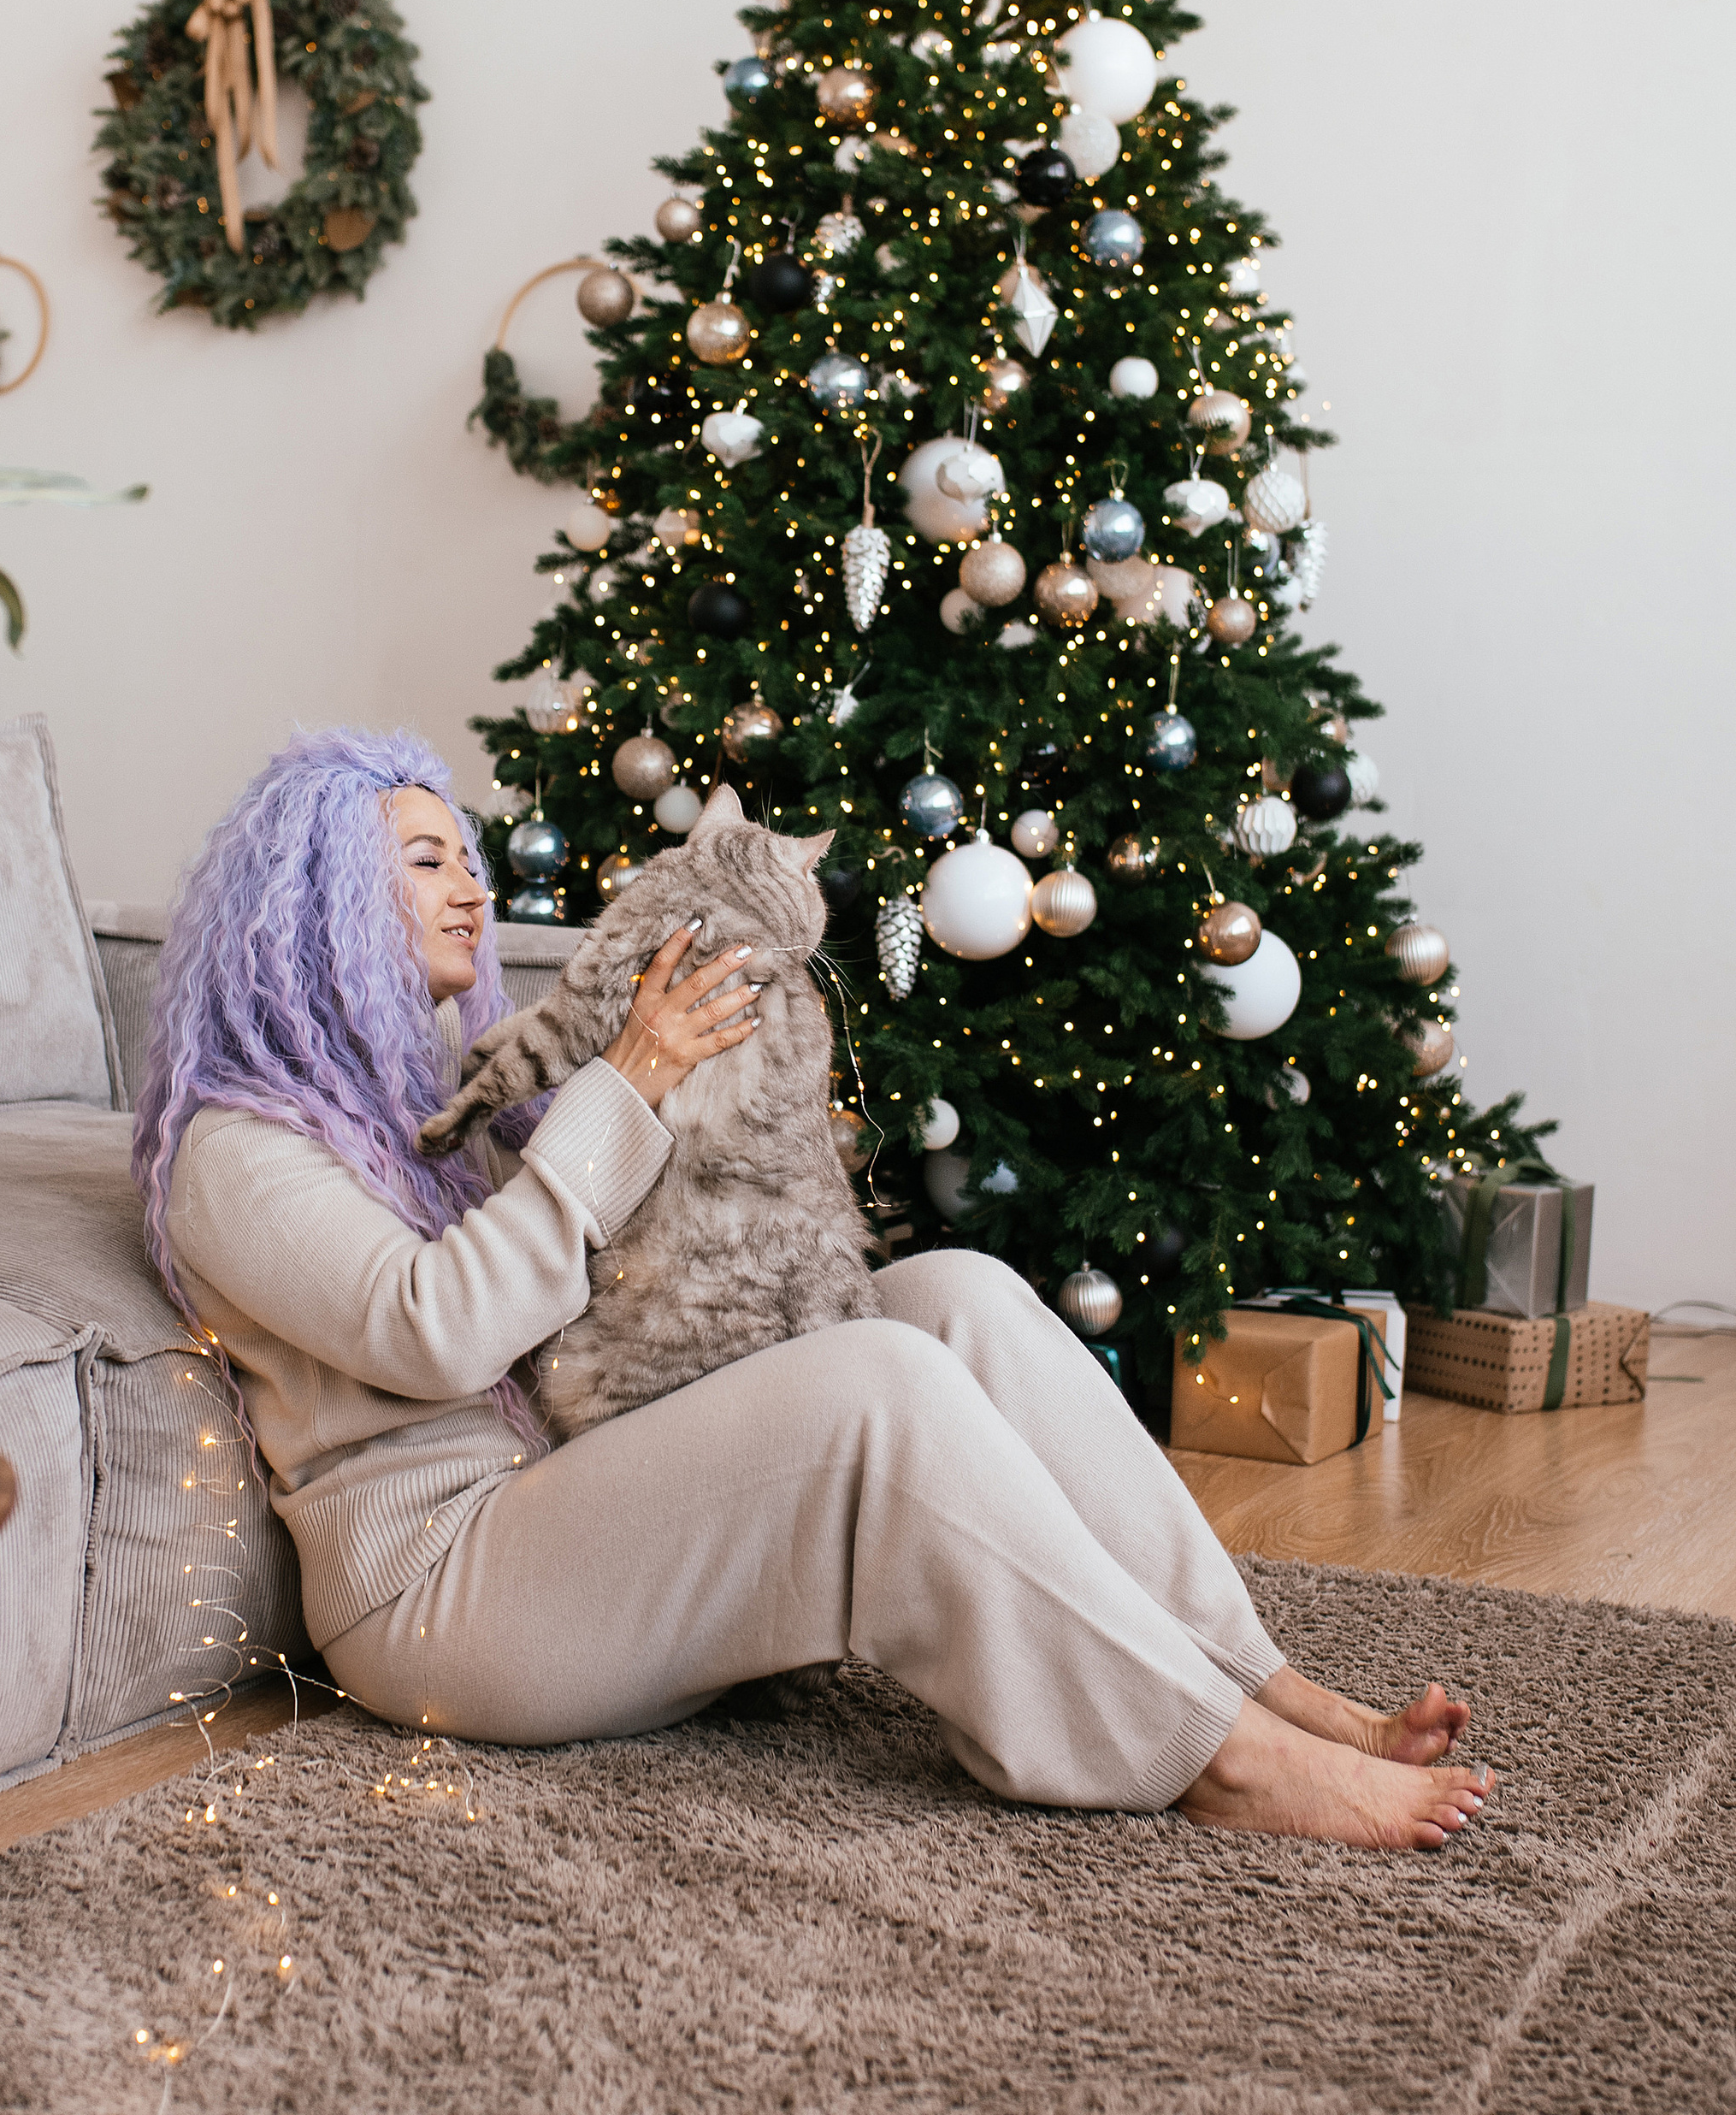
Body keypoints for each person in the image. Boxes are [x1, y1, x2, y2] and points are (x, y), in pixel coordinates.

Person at [133, 729, 1492, 1852]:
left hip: (562, 1485)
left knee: (948, 1295)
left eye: (470, 860)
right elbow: (439, 1334)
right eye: (425, 862)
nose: (473, 891)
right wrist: (631, 1085)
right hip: (443, 1590)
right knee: (872, 1387)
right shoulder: (238, 1152)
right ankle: (1217, 1759)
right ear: (311, 897)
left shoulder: (430, 1096)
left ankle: (1256, 1679)